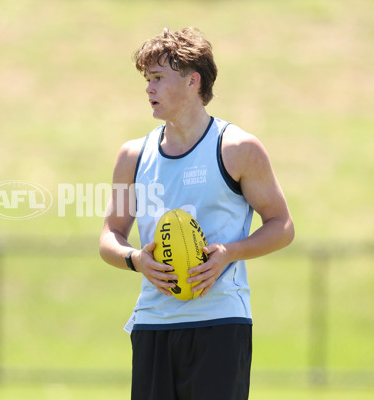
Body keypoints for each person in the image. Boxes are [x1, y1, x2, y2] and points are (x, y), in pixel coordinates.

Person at [99, 27, 294, 399]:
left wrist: (230, 253)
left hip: (220, 321)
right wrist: (135, 259)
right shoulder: (133, 156)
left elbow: (282, 226)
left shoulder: (236, 148)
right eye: (146, 79)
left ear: (192, 81)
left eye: (157, 78)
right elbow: (110, 236)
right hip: (153, 322)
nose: (148, 89)